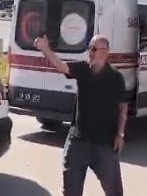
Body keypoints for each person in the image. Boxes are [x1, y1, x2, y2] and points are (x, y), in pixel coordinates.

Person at [34, 34, 127, 196]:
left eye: (94, 49)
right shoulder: (83, 69)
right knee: (71, 191)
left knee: (115, 192)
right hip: (78, 142)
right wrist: (44, 48)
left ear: (106, 52)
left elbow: (122, 107)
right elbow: (61, 66)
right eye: (89, 48)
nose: (90, 52)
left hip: (105, 144)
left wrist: (120, 134)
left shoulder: (115, 77)